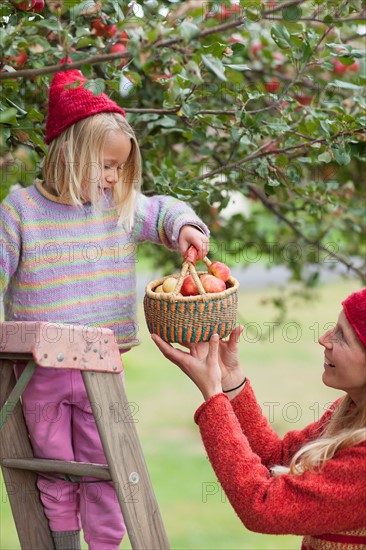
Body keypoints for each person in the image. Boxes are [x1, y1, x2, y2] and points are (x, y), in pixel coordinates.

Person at [0, 58, 210, 550]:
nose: (115, 178)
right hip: (37, 369)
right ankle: (63, 543)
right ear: (70, 154)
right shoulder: (20, 212)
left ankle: (107, 545)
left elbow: (162, 209)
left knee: (105, 466)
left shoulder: (117, 208)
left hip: (102, 367)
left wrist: (184, 227)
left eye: (120, 168)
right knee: (53, 466)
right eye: (108, 166)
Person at [152, 288, 366, 549]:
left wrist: (214, 398)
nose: (324, 339)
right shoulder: (350, 412)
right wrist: (230, 381)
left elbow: (263, 505)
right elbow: (276, 459)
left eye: (342, 336)